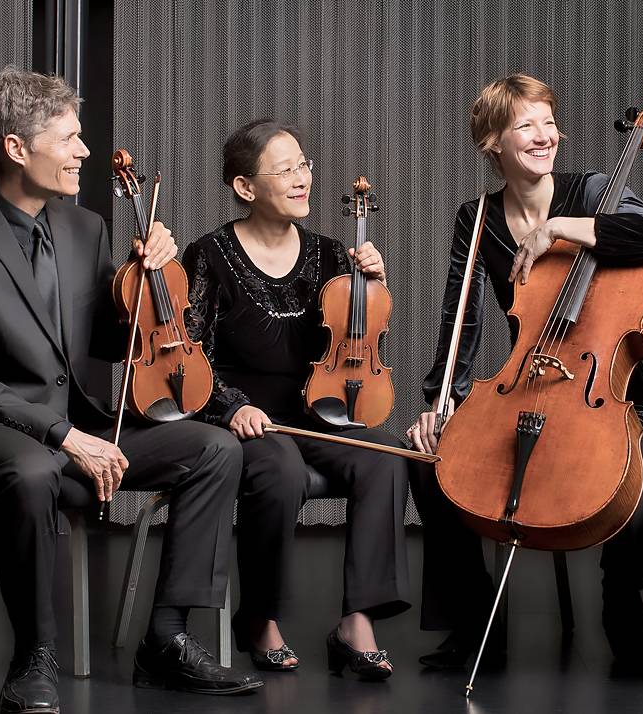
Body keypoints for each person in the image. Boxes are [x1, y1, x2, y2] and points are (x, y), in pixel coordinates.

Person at [0, 67, 262, 714]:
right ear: (17, 148)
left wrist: (147, 283)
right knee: (35, 469)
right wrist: (63, 435)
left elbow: (104, 342)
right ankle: (33, 654)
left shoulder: (85, 229)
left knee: (214, 450)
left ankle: (168, 639)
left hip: (80, 428)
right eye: (69, 138)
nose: (85, 153)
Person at [405, 74, 643, 674]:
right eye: (525, 124)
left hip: (614, 393)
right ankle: (477, 628)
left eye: (548, 121)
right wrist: (442, 401)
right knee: (431, 463)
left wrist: (558, 228)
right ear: (492, 141)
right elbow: (462, 318)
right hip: (525, 385)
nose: (543, 135)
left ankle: (620, 607)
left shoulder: (593, 192)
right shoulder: (476, 218)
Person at [182, 120, 410, 680]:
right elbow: (188, 354)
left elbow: (356, 348)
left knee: (384, 459)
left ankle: (356, 622)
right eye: (285, 169)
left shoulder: (334, 254)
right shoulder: (209, 256)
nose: (302, 177)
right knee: (280, 470)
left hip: (317, 414)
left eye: (303, 164)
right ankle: (260, 619)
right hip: (246, 422)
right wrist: (232, 407)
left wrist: (372, 290)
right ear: (245, 187)